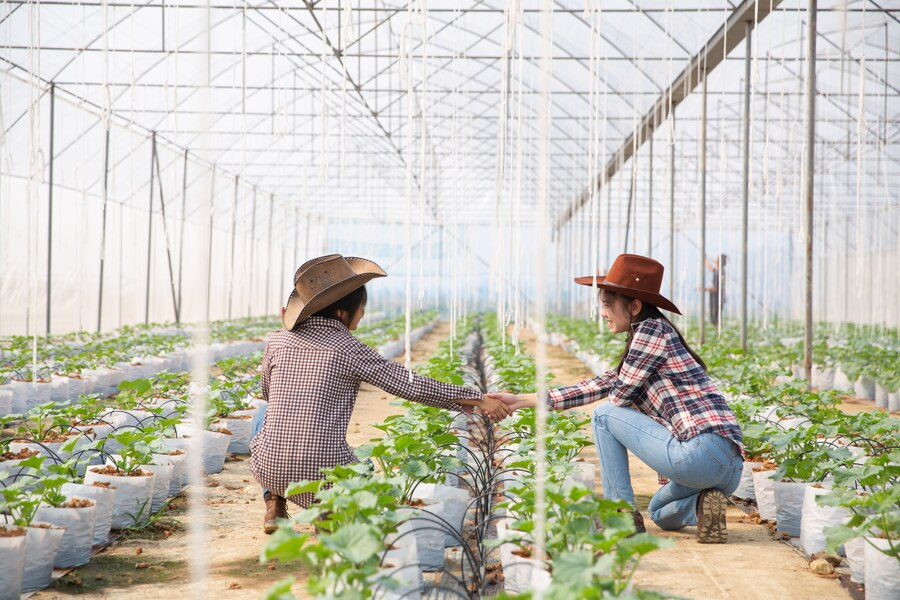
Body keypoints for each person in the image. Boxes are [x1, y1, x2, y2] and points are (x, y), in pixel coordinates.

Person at [489, 254, 743, 543]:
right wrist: (520, 400)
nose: (603, 312)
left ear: (634, 306)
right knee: (660, 513)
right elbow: (601, 383)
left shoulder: (651, 330)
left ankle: (619, 514)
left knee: (603, 415)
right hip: (729, 468)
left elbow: (618, 396)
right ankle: (704, 506)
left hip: (699, 453)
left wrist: (618, 395)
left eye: (607, 304)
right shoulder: (656, 334)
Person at [250, 254, 510, 534]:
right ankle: (328, 511)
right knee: (365, 471)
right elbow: (411, 385)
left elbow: (267, 391)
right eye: (361, 307)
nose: (362, 313)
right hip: (321, 476)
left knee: (264, 414)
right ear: (341, 312)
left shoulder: (277, 340)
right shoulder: (348, 348)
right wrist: (479, 398)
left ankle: (274, 503)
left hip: (269, 468)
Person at [705, 254, 727, 327]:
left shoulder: (721, 273)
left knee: (715, 317)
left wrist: (704, 289)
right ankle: (717, 330)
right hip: (714, 297)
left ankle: (718, 332)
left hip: (717, 298)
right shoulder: (717, 271)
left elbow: (717, 288)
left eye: (717, 259)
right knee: (713, 317)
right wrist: (704, 259)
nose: (715, 260)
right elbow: (710, 268)